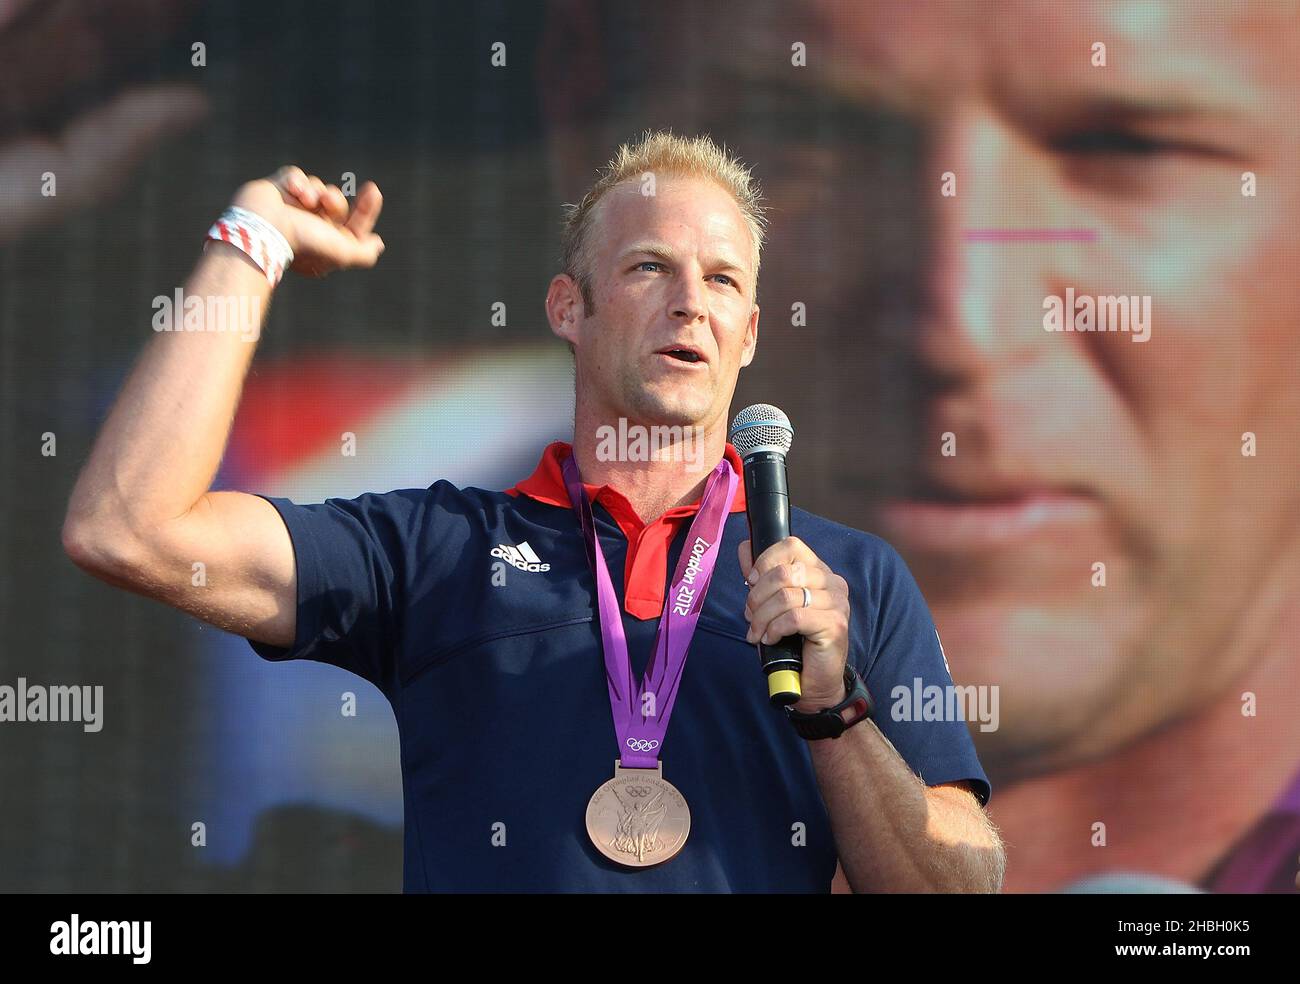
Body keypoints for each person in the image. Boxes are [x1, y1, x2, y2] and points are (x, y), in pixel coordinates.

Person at [62, 129, 1003, 891]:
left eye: (722, 280)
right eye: (647, 268)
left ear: (750, 332)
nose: (690, 304)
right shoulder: (436, 550)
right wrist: (251, 241)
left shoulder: (838, 579)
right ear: (568, 308)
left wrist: (834, 709)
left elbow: (960, 888)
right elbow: (128, 527)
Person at [538, 0, 1300, 892]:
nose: (959, 327)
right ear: (580, 110)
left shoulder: (868, 582)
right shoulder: (435, 583)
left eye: (1127, 149)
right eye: (807, 132)